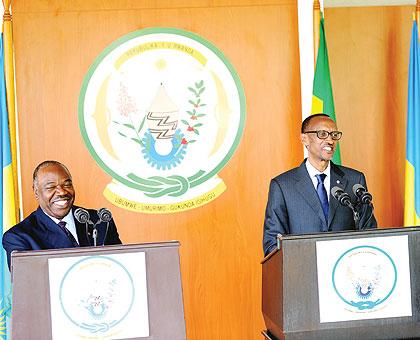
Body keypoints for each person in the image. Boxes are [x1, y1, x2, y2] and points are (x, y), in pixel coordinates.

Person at [263, 114, 377, 256]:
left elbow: (369, 233)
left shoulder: (354, 180)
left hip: (345, 272)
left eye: (334, 135)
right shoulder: (282, 186)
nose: (330, 140)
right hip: (303, 272)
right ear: (304, 139)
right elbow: (273, 243)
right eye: (322, 134)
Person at [2, 160, 122, 269]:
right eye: (51, 187)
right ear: (36, 192)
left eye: (67, 184)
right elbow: (28, 284)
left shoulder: (99, 220)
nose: (62, 192)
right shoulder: (19, 237)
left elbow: (120, 265)